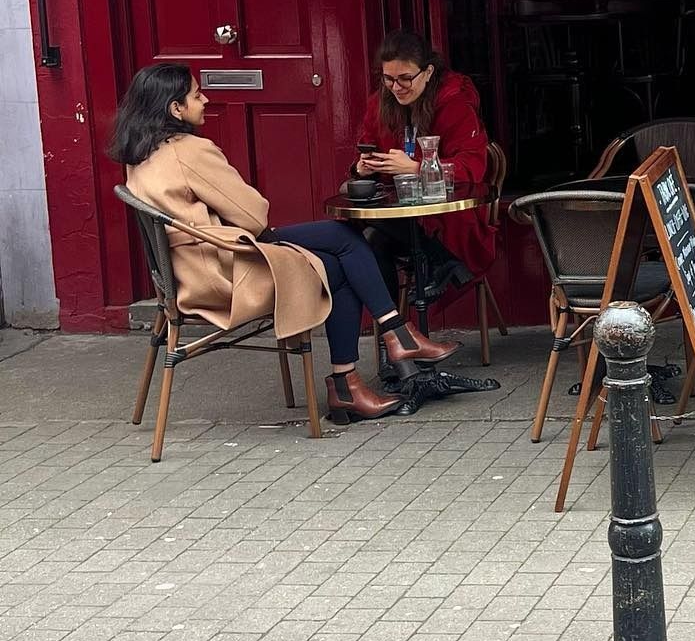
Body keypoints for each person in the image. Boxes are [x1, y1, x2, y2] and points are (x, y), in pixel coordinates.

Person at [111, 64, 459, 425]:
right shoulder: (189, 151)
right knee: (343, 253)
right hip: (226, 274)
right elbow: (254, 215)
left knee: (343, 244)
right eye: (197, 95)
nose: (206, 99)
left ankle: (369, 365)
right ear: (175, 109)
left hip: (188, 273)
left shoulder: (139, 154)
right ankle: (378, 354)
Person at [354, 30, 497, 302]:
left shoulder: (454, 100)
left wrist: (417, 168)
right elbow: (368, 143)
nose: (396, 88)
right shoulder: (380, 103)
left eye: (405, 78)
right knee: (365, 232)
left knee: (373, 236)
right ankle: (396, 333)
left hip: (447, 216)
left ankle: (441, 259)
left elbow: (472, 168)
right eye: (388, 79)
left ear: (428, 72)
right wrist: (364, 167)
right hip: (398, 215)